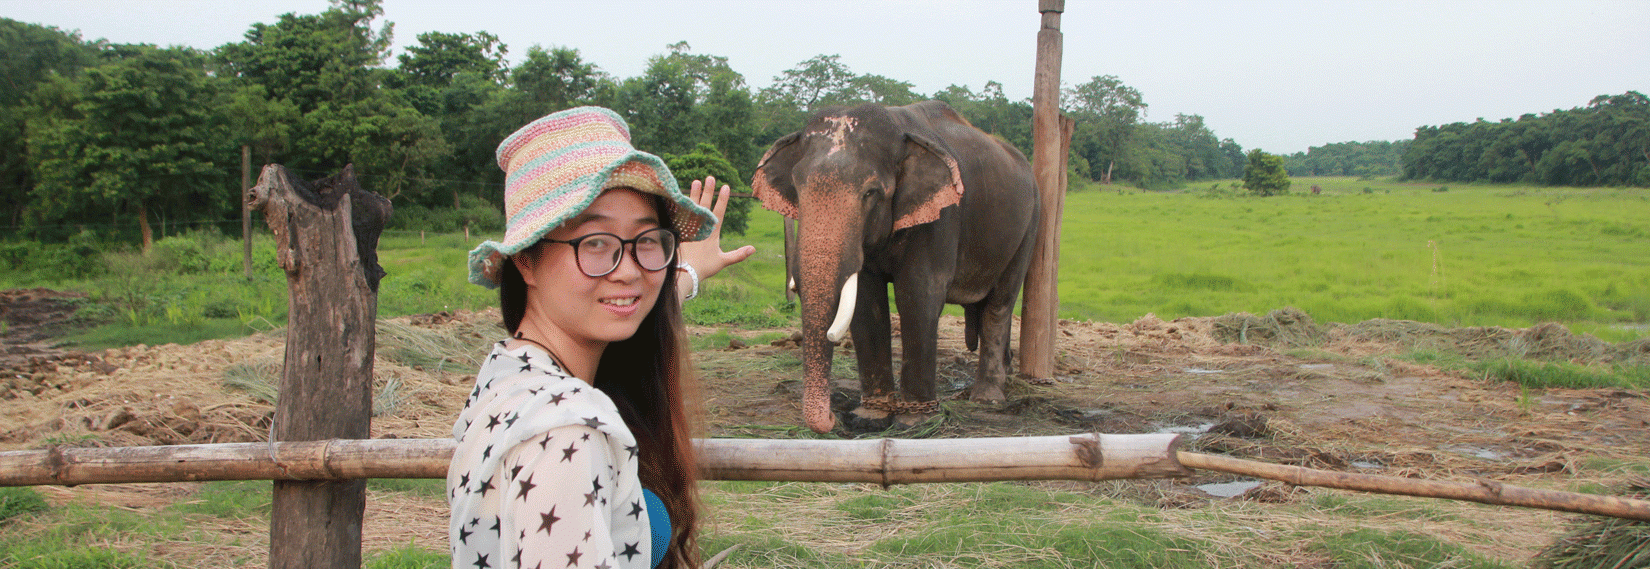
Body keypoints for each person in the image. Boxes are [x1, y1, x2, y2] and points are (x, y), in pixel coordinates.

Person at [448, 106, 753, 569]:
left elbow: (632, 294)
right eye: (594, 243)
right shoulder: (566, 429)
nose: (629, 270)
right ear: (526, 262)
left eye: (647, 241)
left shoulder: (507, 375)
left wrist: (687, 272)